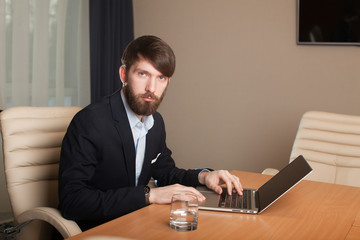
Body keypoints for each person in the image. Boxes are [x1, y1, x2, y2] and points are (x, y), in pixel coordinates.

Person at [58, 35, 243, 231]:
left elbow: (166, 174)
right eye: (143, 74)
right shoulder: (90, 122)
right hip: (99, 230)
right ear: (123, 75)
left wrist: (204, 177)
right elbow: (73, 201)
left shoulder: (155, 123)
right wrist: (149, 195)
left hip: (136, 223)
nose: (151, 89)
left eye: (160, 78)